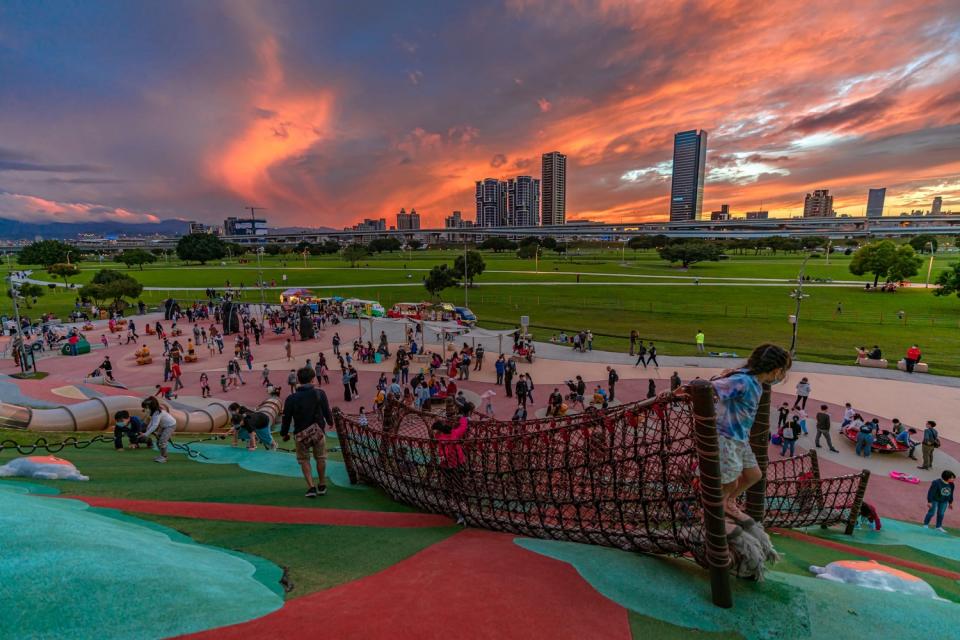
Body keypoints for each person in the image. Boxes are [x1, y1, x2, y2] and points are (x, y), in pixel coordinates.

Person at [708, 343, 792, 521]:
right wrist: (684, 390)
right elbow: (710, 387)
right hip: (726, 437)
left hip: (740, 438)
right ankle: (714, 512)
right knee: (730, 481)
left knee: (754, 474)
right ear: (776, 370)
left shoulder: (755, 382)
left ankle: (728, 501)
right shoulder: (744, 381)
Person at [281, 367, 334, 498]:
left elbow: (286, 417)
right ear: (312, 379)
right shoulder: (319, 393)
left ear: (298, 380)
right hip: (318, 431)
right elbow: (326, 410)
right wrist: (330, 422)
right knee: (321, 458)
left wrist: (284, 433)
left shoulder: (291, 398)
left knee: (304, 460)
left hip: (300, 434)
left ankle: (311, 487)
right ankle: (322, 484)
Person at [141, 396, 177, 463]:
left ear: (152, 407)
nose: (145, 409)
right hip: (163, 426)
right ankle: (161, 455)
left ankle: (164, 457)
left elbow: (155, 425)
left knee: (162, 441)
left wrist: (146, 434)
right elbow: (152, 422)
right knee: (158, 441)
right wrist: (147, 430)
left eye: (146, 408)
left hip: (170, 426)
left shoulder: (158, 413)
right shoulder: (153, 413)